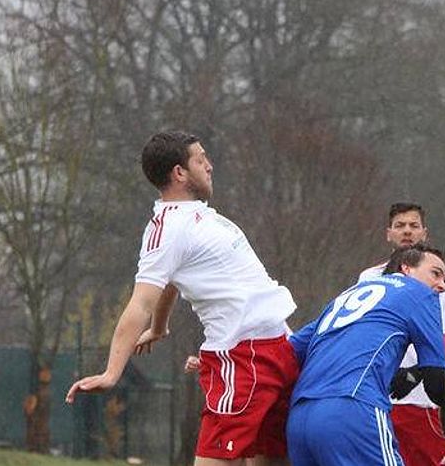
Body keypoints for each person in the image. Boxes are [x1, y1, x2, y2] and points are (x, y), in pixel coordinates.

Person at [66, 130, 299, 466]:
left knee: (274, 456)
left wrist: (160, 327)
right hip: (244, 357)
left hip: (279, 346)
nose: (210, 165)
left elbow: (171, 281)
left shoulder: (198, 215)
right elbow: (140, 302)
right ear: (179, 172)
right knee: (217, 457)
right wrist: (111, 373)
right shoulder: (167, 227)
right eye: (201, 159)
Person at [287, 244, 445, 466]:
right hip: (353, 409)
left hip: (299, 419)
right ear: (407, 268)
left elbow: (290, 352)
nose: (442, 285)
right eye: (436, 273)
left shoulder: (344, 298)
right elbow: (436, 378)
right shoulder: (420, 294)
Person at [359, 202, 445, 466]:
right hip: (375, 398)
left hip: (422, 400)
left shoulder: (442, 278)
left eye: (414, 226)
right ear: (388, 233)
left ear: (425, 233)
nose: (407, 231)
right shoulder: (369, 277)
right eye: (400, 226)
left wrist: (417, 371)